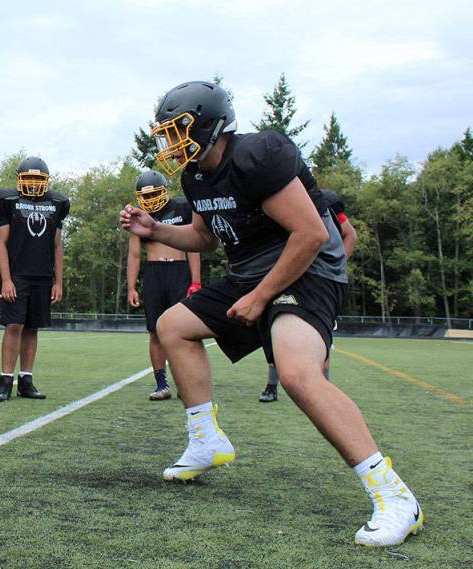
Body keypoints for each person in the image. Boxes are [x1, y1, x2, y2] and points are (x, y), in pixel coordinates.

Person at [120, 80, 421, 546]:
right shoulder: (196, 176)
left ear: (208, 123)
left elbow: (311, 235)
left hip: (306, 269)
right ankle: (206, 440)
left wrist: (261, 298)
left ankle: (395, 495)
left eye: (176, 131)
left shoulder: (258, 154)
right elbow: (204, 238)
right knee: (173, 326)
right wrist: (156, 228)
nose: (170, 144)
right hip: (249, 272)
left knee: (298, 373)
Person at [260, 188, 357, 402]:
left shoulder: (325, 199)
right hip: (285, 273)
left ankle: (324, 386)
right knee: (274, 330)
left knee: (320, 336)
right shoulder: (273, 195)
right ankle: (271, 385)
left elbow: (350, 234)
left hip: (318, 279)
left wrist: (336, 266)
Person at [0, 156, 68, 402]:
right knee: (14, 326)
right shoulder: (8, 202)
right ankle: (5, 380)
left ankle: (26, 379)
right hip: (17, 275)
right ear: (19, 180)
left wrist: (58, 281)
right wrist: (6, 279)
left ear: (46, 181)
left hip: (42, 276)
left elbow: (57, 246)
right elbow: (0, 244)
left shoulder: (56, 203)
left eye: (38, 179)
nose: (33, 183)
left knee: (32, 328)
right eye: (29, 178)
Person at [126, 170, 201, 401]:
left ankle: (185, 381)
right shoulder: (139, 216)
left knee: (184, 330)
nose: (150, 200)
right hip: (154, 274)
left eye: (155, 194)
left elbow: (193, 245)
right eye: (145, 196)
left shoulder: (181, 208)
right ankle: (161, 384)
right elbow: (134, 255)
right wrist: (131, 287)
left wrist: (196, 280)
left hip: (178, 271)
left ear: (165, 191)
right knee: (155, 331)